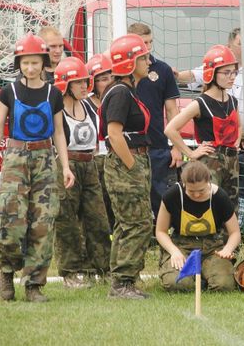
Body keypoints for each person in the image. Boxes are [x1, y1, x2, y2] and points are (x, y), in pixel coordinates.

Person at [0, 32, 75, 302]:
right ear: (18, 63)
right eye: (25, 62)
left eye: (35, 62)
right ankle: (7, 273)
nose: (30, 68)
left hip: (46, 160)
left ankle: (34, 284)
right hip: (15, 158)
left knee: (43, 223)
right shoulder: (8, 92)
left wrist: (66, 167)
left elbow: (59, 132)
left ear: (44, 62)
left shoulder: (53, 93)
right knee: (12, 219)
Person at [99, 34, 153, 300]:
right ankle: (123, 283)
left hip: (133, 162)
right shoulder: (120, 92)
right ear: (131, 63)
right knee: (138, 224)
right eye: (143, 57)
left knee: (127, 224)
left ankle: (122, 281)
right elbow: (114, 134)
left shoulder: (126, 91)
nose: (148, 61)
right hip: (126, 164)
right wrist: (133, 166)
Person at [52, 57, 111, 289]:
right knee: (67, 220)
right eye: (78, 82)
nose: (85, 86)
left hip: (90, 164)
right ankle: (70, 271)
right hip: (67, 165)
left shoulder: (88, 105)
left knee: (98, 218)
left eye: (86, 81)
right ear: (65, 85)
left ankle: (102, 267)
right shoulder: (56, 109)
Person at [165, 45, 242, 211]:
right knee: (209, 208)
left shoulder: (232, 101)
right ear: (212, 74)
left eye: (234, 72)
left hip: (232, 163)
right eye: (226, 72)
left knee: (230, 211)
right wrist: (191, 153)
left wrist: (236, 141)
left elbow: (239, 125)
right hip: (210, 163)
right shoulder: (201, 103)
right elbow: (170, 129)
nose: (232, 77)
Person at [156, 161, 241, 291]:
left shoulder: (220, 197)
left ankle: (205, 275)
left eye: (201, 190)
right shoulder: (172, 196)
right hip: (181, 247)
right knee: (177, 284)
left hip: (212, 248)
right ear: (183, 183)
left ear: (209, 181)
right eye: (191, 191)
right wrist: (174, 252)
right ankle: (193, 278)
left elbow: (235, 232)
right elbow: (161, 231)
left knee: (224, 285)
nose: (196, 195)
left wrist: (227, 250)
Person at [128, 23, 181, 220]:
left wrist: (176, 147)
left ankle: (165, 245)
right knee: (134, 200)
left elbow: (172, 109)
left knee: (162, 200)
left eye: (150, 42)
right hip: (131, 147)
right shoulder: (123, 73)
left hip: (158, 146)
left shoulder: (162, 69)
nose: (148, 48)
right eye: (143, 43)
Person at [176, 28, 244, 128]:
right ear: (229, 47)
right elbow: (193, 75)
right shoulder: (217, 66)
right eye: (241, 44)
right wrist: (176, 75)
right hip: (222, 133)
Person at [86, 53, 115, 230]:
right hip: (95, 161)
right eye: (104, 79)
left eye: (112, 77)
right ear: (92, 82)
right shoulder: (84, 104)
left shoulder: (119, 98)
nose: (109, 82)